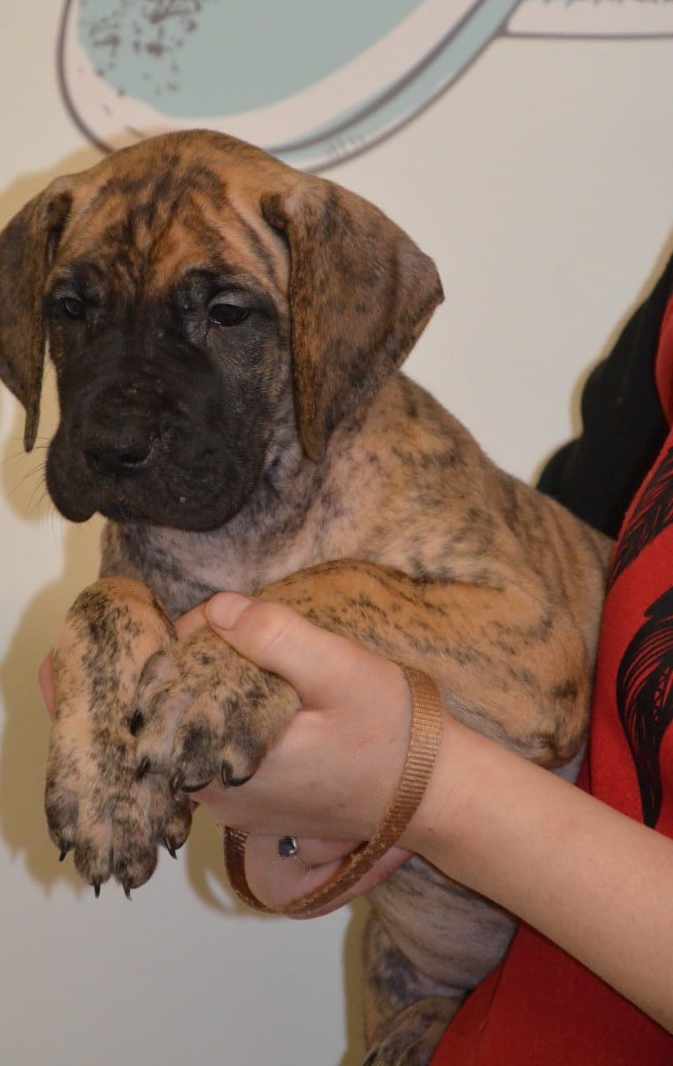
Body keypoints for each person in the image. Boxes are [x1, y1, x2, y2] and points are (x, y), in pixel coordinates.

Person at [38, 249, 673, 1056]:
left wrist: (412, 776)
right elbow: (576, 579)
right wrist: (283, 819)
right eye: (74, 312)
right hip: (467, 1005)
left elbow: (540, 697)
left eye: (223, 313)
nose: (121, 426)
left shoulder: (386, 475)